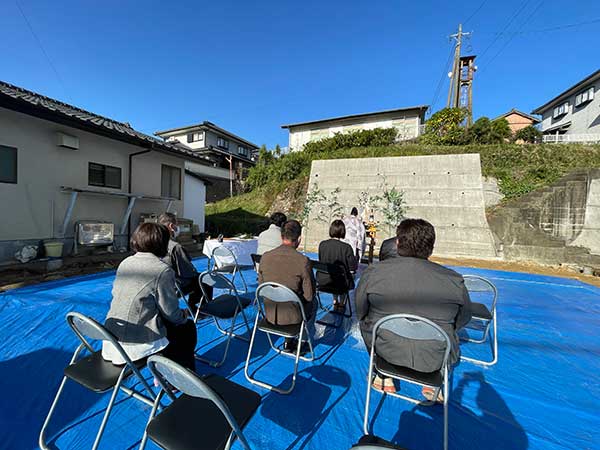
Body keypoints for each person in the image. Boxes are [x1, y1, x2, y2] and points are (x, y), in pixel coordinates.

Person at [356, 218, 472, 398]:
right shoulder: (454, 280)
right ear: (432, 248)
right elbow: (463, 319)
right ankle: (434, 382)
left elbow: (360, 310)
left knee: (368, 321)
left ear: (397, 243)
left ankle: (382, 373)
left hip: (386, 349)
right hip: (435, 357)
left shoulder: (374, 273)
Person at [103, 223, 197, 370]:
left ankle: (166, 370)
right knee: (186, 328)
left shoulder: (125, 262)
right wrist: (183, 314)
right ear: (163, 243)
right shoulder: (162, 270)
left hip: (111, 339)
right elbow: (171, 313)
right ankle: (176, 378)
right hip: (136, 344)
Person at [258, 219, 316, 353]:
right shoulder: (303, 261)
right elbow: (309, 296)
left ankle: (287, 342)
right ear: (299, 239)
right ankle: (302, 341)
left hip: (270, 314)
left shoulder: (265, 257)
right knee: (314, 303)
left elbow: (262, 288)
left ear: (281, 236)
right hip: (293, 316)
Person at [157, 212, 212, 313]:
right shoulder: (175, 247)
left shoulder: (153, 243)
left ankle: (193, 307)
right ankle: (200, 309)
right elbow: (188, 271)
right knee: (204, 279)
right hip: (175, 285)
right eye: (176, 224)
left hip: (158, 283)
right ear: (171, 226)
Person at [317, 219, 357, 312]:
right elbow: (352, 268)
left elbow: (321, 260)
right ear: (343, 231)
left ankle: (335, 301)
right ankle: (342, 303)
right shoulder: (346, 247)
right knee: (344, 275)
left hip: (323, 281)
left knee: (333, 273)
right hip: (341, 284)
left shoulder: (322, 245)